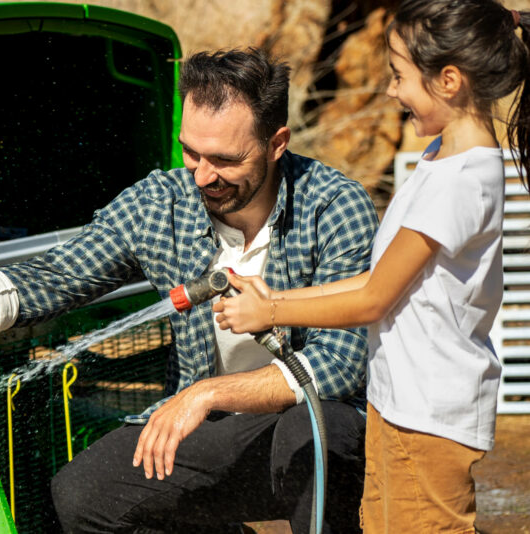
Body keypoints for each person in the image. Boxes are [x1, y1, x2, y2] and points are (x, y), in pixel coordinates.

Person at [0, 48, 379, 533]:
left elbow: (340, 364)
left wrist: (206, 394)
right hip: (213, 428)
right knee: (82, 495)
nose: (203, 176)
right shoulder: (159, 202)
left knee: (312, 433)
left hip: (308, 426)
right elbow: (54, 276)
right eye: (191, 153)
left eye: (225, 159)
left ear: (276, 144)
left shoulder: (335, 205)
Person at [214, 2, 530, 532]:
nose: (390, 91)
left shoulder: (461, 181)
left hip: (428, 417)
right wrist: (272, 298)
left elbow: (374, 299)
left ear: (449, 81)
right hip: (400, 404)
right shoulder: (440, 159)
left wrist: (270, 313)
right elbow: (378, 280)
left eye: (399, 76)